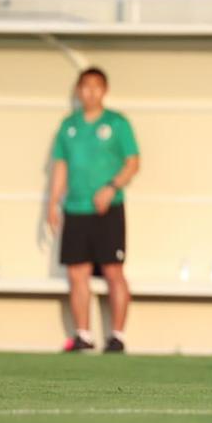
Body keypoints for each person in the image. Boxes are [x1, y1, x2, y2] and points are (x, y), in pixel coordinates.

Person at [47, 67, 140, 354]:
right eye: (85, 86)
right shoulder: (68, 126)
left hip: (107, 209)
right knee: (77, 273)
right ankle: (83, 335)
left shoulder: (117, 123)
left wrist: (111, 187)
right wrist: (53, 202)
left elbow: (133, 162)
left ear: (105, 90)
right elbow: (60, 166)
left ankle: (118, 336)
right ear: (78, 90)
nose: (90, 92)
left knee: (114, 271)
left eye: (96, 87)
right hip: (75, 209)